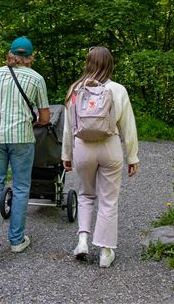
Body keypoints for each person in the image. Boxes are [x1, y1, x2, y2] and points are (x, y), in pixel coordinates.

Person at [61, 46, 139, 268]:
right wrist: (133, 157)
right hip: (110, 146)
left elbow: (69, 127)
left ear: (88, 63)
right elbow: (128, 127)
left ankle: (83, 241)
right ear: (110, 65)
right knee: (108, 199)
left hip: (83, 147)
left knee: (86, 195)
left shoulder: (74, 90)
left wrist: (66, 154)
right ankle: (105, 252)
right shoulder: (118, 90)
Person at [0, 36, 50, 258]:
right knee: (20, 187)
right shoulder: (37, 79)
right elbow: (45, 117)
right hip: (21, 138)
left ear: (10, 54)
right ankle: (17, 240)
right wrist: (35, 121)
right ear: (30, 57)